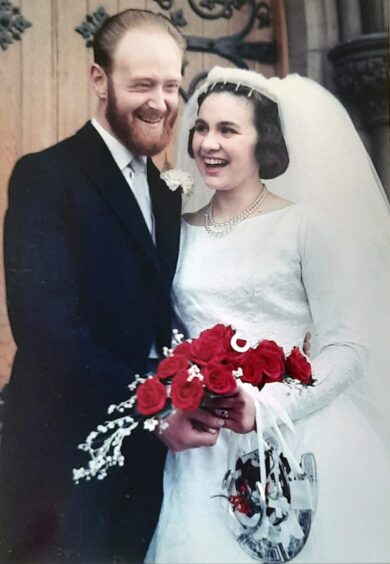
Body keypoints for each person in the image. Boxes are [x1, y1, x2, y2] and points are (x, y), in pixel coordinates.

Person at [0, 10, 226, 564]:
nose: (161, 102)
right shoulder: (45, 176)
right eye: (142, 84)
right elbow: (47, 330)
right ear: (99, 80)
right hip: (61, 466)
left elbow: (159, 310)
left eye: (171, 85)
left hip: (151, 469)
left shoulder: (169, 191)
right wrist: (154, 409)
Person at [146, 66, 390, 563]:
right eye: (202, 127)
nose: (208, 144)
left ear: (265, 142)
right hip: (201, 451)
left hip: (295, 435)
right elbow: (157, 335)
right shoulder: (174, 229)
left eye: (228, 130)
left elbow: (350, 345)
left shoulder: (302, 227)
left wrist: (270, 406)